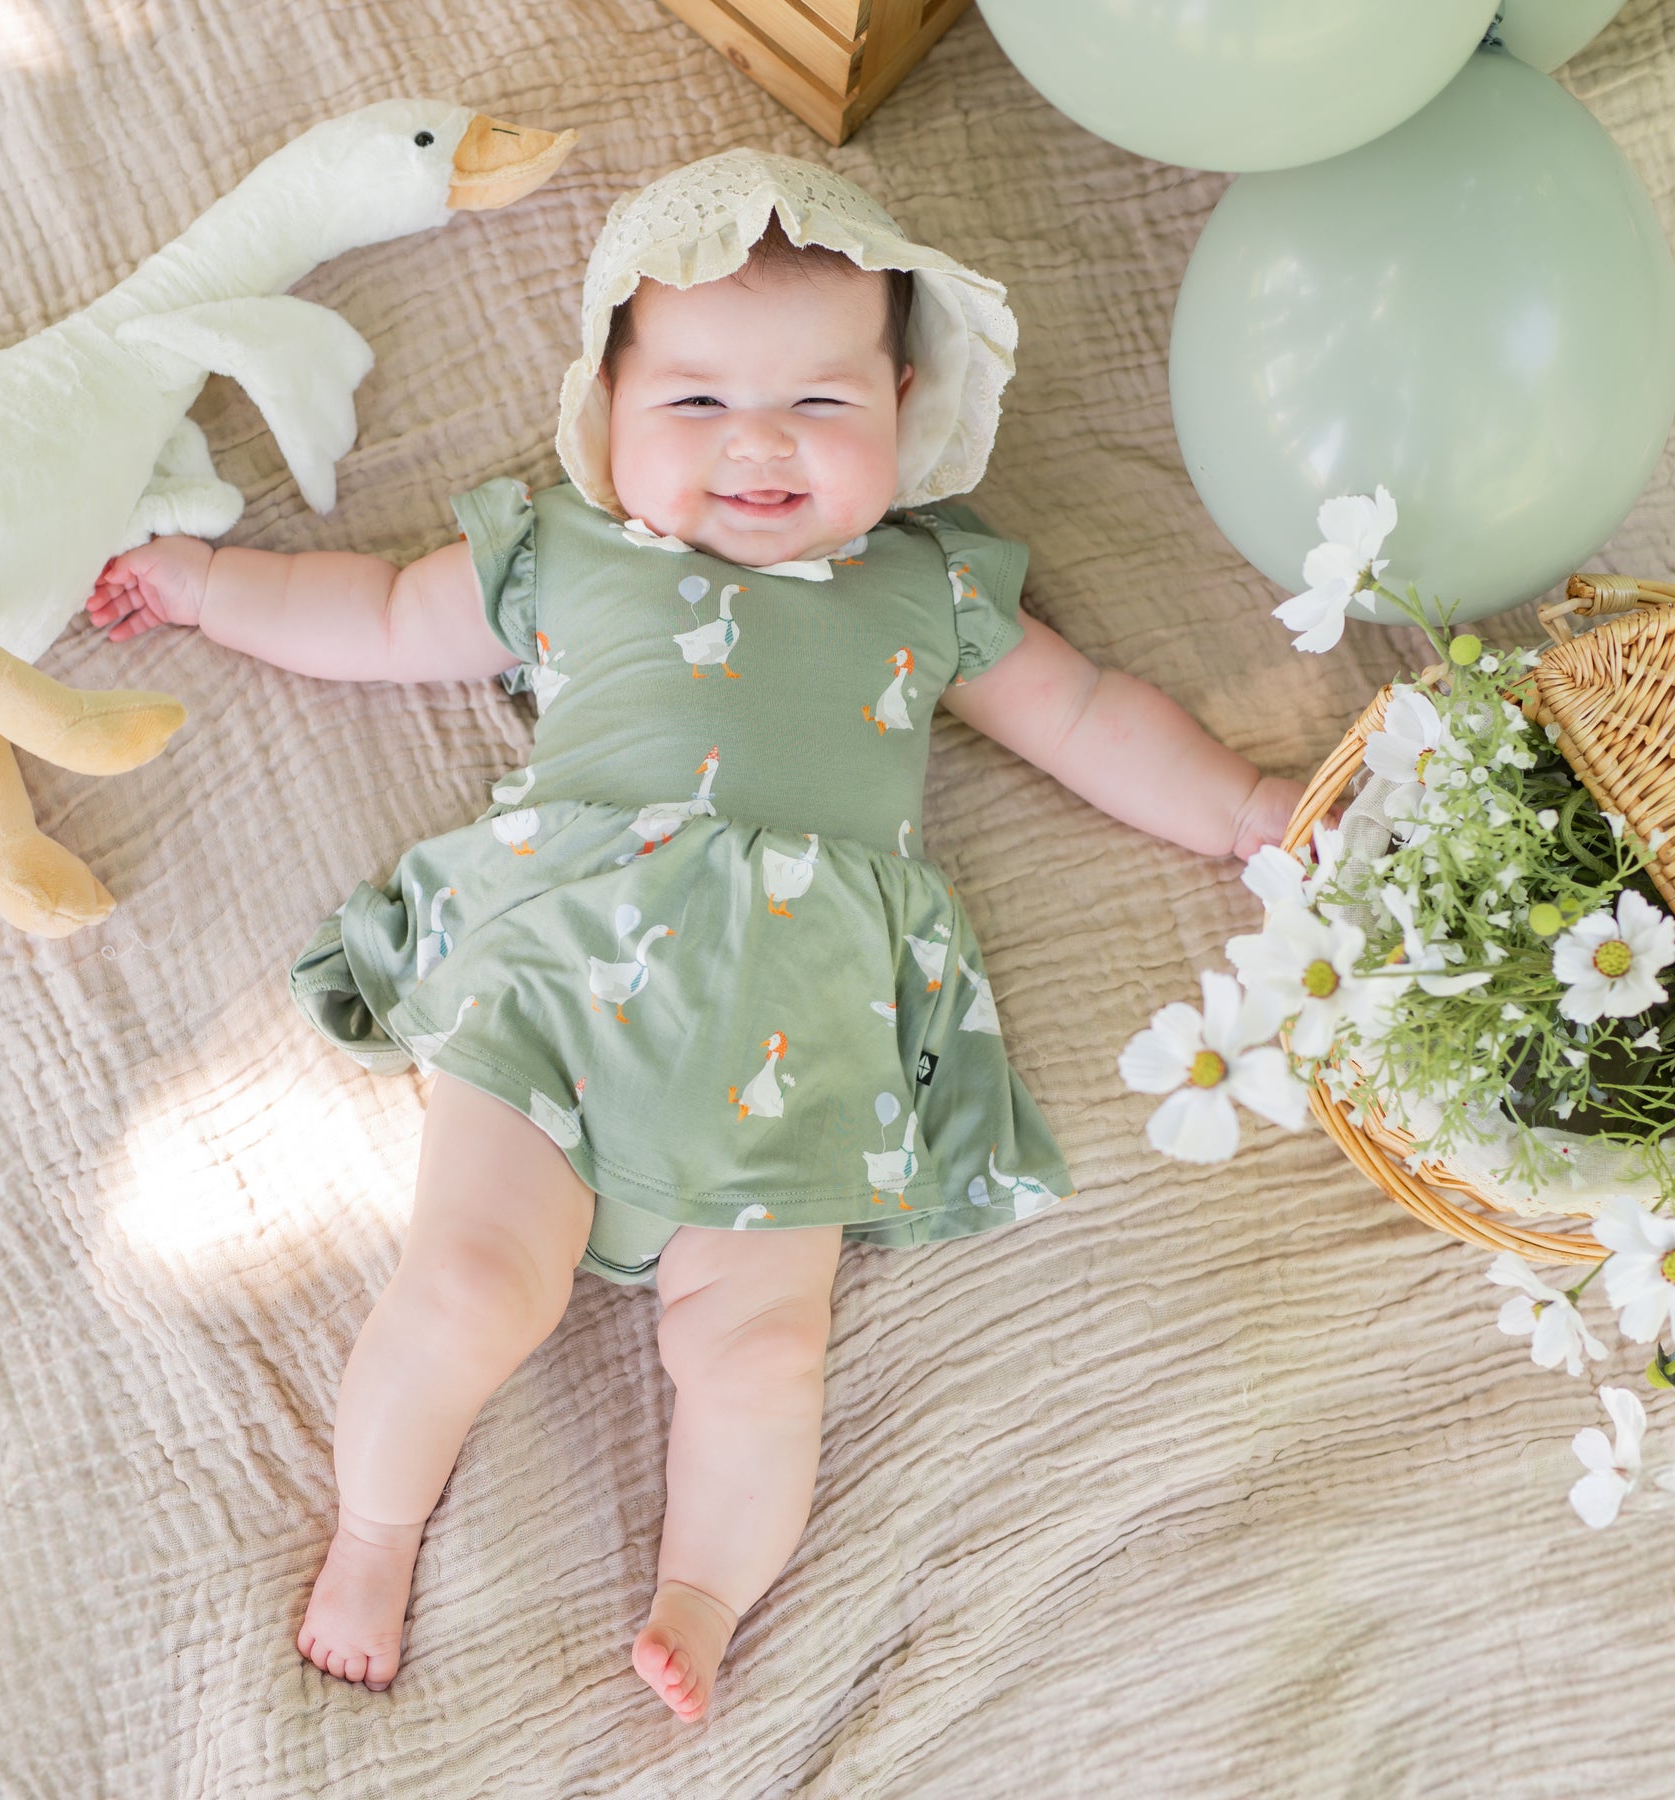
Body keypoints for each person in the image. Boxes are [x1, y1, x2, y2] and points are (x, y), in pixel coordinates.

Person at [87, 150, 1302, 1721]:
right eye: (697, 403)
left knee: (758, 1354)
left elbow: (1082, 715)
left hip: (788, 1038)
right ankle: (376, 1530)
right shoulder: (568, 551)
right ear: (607, 411)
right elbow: (379, 614)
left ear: (904, 408)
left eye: (821, 402)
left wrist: (1244, 801)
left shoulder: (926, 586)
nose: (762, 446)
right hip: (557, 987)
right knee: (467, 1282)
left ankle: (703, 1593)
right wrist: (204, 585)